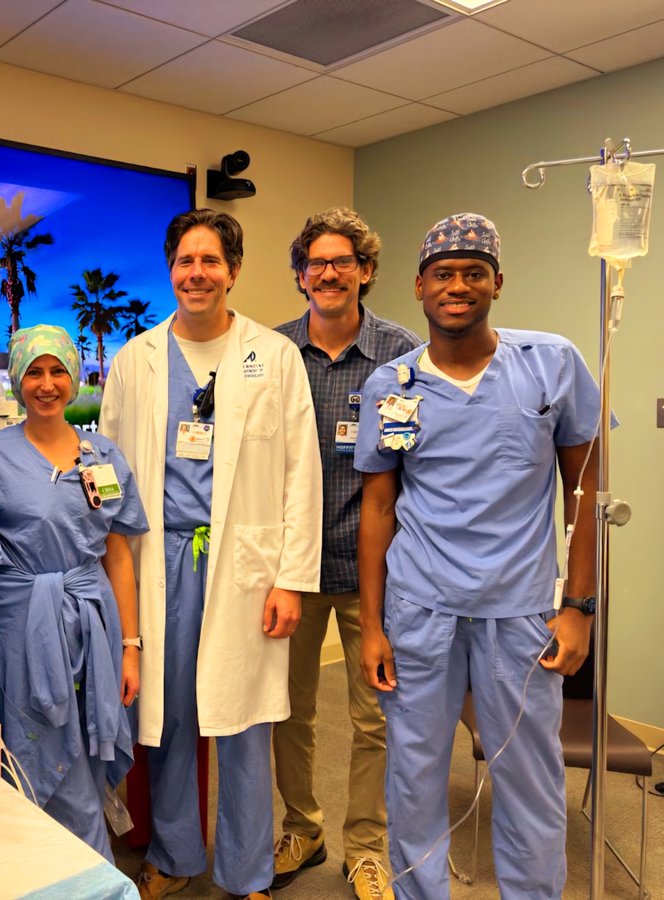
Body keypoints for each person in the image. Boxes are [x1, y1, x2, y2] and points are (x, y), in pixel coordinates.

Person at [356, 214, 599, 899]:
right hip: (419, 611)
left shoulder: (550, 364)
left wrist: (578, 608)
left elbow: (586, 495)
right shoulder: (391, 385)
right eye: (443, 273)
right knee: (414, 774)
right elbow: (377, 510)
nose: (457, 286)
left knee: (528, 781)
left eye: (472, 272)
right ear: (419, 286)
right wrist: (373, 625)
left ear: (497, 282)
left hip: (518, 612)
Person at [100, 209, 322, 900]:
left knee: (244, 720)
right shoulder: (136, 358)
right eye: (184, 261)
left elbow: (301, 470)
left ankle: (249, 869)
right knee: (166, 718)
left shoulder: (273, 355)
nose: (196, 273)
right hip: (158, 561)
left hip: (245, 565)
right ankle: (173, 853)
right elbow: (108, 461)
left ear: (233, 271)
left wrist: (291, 579)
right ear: (171, 269)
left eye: (210, 261)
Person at [272, 208, 419, 899]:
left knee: (373, 719)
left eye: (343, 261)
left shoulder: (404, 355)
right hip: (293, 570)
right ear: (300, 274)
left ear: (365, 271)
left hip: (377, 576)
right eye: (316, 262)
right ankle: (303, 826)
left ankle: (365, 846)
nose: (328, 273)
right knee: (289, 710)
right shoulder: (271, 355)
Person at [0, 325, 148, 861]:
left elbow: (118, 555)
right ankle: (36, 871)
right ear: (18, 380)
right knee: (22, 748)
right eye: (34, 372)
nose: (46, 385)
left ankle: (86, 873)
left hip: (91, 620)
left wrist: (130, 647)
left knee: (85, 755)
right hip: (16, 623)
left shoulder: (102, 456)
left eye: (57, 372)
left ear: (73, 380)